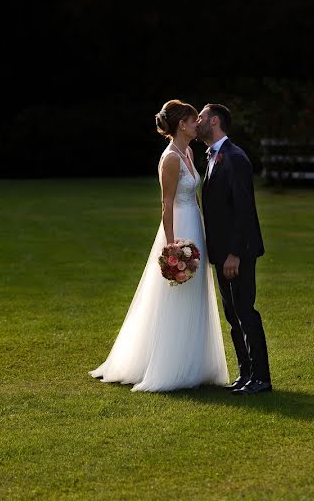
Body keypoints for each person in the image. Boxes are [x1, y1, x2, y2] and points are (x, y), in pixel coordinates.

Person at [90, 100, 229, 392]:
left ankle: (194, 362)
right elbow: (166, 203)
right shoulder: (171, 158)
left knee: (195, 294)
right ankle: (170, 365)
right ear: (182, 124)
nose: (197, 125)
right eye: (193, 121)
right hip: (179, 228)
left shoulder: (189, 152)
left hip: (195, 224)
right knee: (176, 296)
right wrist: (171, 246)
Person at [196, 103, 272, 395]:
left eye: (201, 117)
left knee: (245, 311)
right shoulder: (214, 157)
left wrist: (234, 253)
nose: (197, 122)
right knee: (233, 315)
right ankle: (245, 374)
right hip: (222, 253)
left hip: (237, 253)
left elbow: (243, 209)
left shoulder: (235, 158)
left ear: (215, 121)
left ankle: (261, 377)